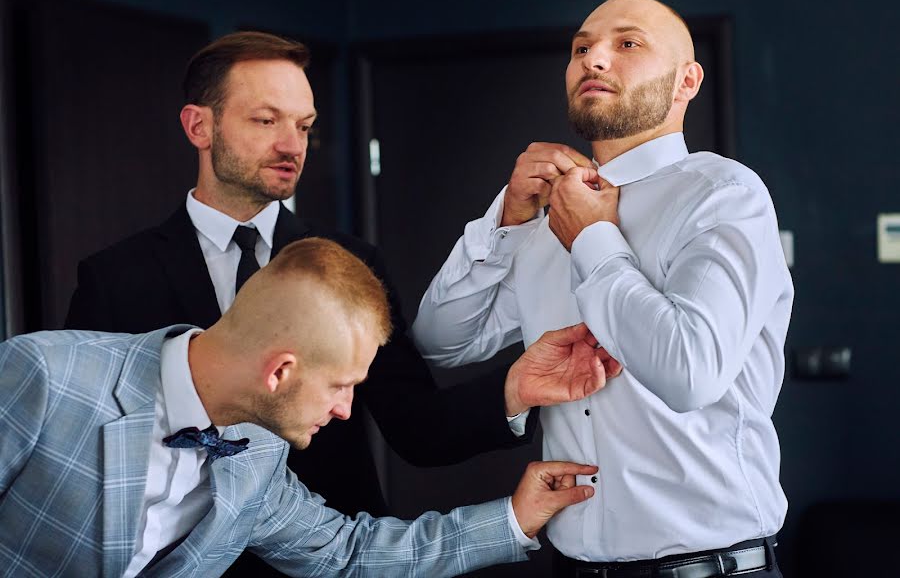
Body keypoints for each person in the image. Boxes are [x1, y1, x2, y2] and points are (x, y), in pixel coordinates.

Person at [63, 31, 611, 528]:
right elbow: (87, 450)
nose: (291, 144)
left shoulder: (352, 262)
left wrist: (519, 386)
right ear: (198, 126)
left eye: (303, 126)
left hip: (335, 553)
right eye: (265, 120)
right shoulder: (115, 278)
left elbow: (419, 427)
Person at [412, 0, 792, 578]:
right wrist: (505, 223)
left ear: (686, 81)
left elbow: (690, 372)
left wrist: (593, 239)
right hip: (572, 565)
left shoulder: (725, 195)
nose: (594, 60)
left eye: (628, 44)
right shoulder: (541, 218)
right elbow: (440, 342)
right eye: (581, 48)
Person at [0, 237, 601, 577]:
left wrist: (516, 518)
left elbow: (348, 554)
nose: (346, 410)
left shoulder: (257, 453)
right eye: (341, 386)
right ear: (280, 370)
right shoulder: (43, 375)